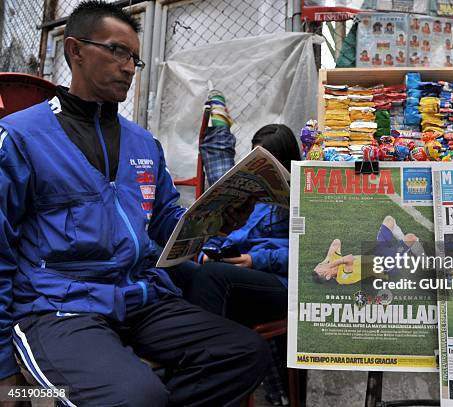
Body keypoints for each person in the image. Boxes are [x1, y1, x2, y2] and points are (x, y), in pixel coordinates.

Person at [0, 2, 269, 406]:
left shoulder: (144, 144)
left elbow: (165, 223)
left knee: (246, 353)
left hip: (137, 298)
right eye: (117, 51)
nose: (129, 66)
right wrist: (3, 368)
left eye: (135, 58)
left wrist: (218, 221)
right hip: (57, 307)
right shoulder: (21, 138)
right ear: (75, 50)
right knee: (137, 395)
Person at [168, 123, 300, 406]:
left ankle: (201, 373)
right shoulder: (256, 198)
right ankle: (190, 366)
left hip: (281, 284)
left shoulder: (303, 197)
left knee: (213, 277)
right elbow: (238, 234)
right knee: (177, 269)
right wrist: (212, 246)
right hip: (240, 275)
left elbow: (308, 253)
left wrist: (256, 260)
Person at [313, 216, 423, 284]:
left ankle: (404, 246)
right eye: (321, 269)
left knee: (389, 220)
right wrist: (330, 263)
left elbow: (336, 242)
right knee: (411, 237)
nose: (322, 265)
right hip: (385, 265)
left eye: (319, 265)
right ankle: (420, 257)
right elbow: (349, 259)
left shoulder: (332, 263)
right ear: (328, 276)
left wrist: (326, 259)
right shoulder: (343, 278)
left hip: (377, 252)